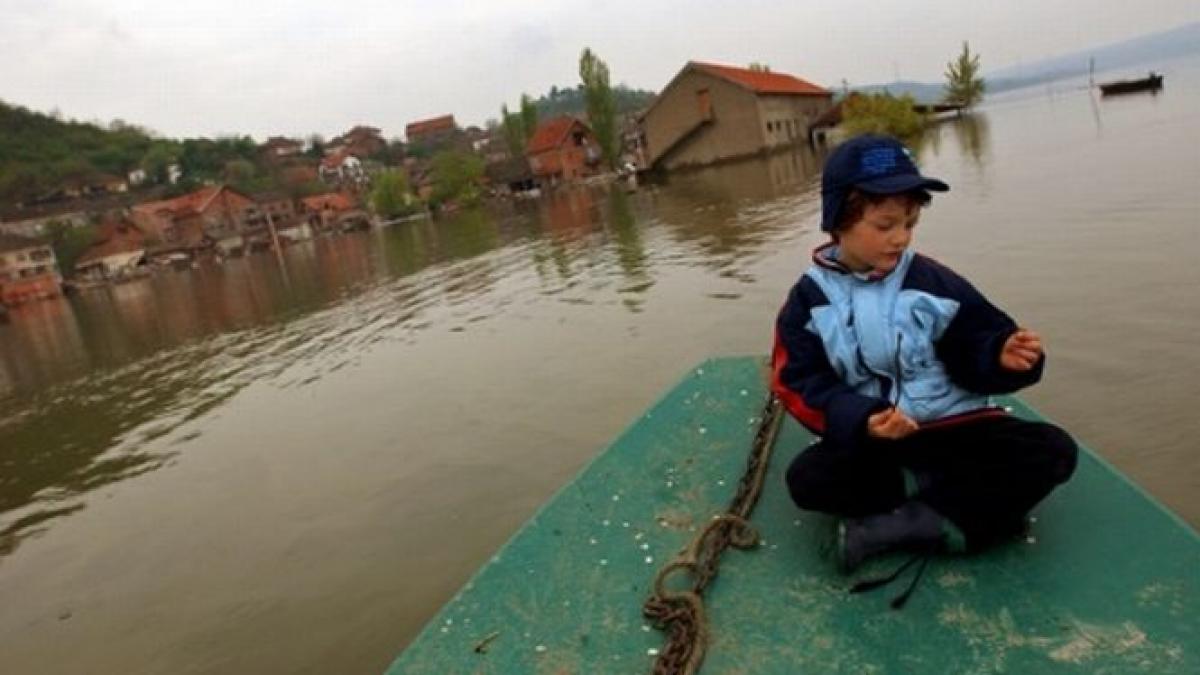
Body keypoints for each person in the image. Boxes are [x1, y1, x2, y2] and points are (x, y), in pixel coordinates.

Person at [771, 134, 1078, 575]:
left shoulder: (934, 282)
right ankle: (962, 508)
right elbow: (797, 382)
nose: (900, 238)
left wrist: (1001, 356)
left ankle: (904, 523)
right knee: (808, 480)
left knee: (1052, 450)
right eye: (885, 225)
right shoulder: (807, 302)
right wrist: (861, 419)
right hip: (882, 442)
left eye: (910, 224)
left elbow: (979, 339)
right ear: (839, 219)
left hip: (957, 429)